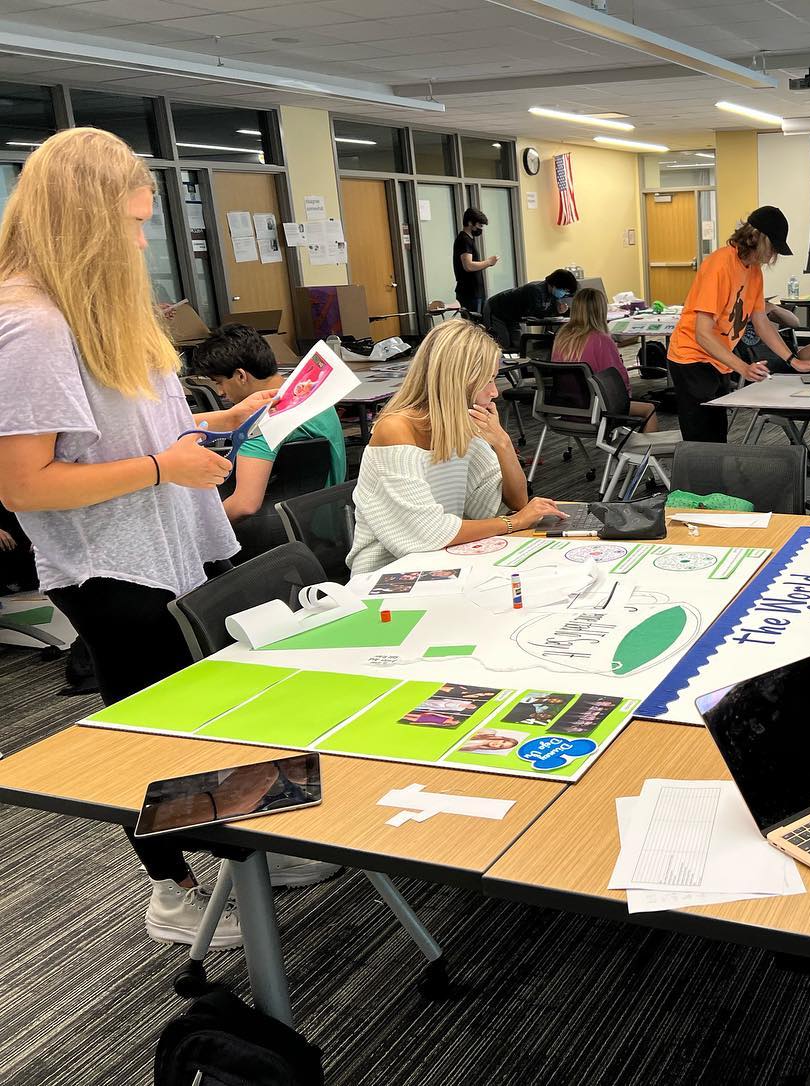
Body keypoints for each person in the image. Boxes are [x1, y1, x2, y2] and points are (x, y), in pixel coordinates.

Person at [0, 128, 337, 951]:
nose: (141, 239)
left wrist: (220, 423)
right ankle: (174, 889)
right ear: (85, 219)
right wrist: (162, 467)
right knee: (151, 733)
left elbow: (126, 430)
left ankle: (242, 849)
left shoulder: (92, 311)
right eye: (133, 222)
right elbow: (24, 484)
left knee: (211, 716)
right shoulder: (29, 325)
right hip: (111, 566)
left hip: (172, 545)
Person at [348, 318, 563, 575]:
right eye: (488, 380)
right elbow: (429, 534)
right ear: (459, 380)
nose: (495, 392)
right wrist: (513, 523)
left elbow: (514, 503)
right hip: (386, 574)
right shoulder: (395, 429)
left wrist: (502, 442)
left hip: (441, 562)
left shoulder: (460, 425)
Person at [667, 206, 810, 442]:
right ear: (756, 238)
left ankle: (714, 466)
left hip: (719, 358)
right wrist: (743, 367)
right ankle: (697, 467)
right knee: (701, 441)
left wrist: (793, 361)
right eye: (773, 248)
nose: (773, 256)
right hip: (692, 358)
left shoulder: (754, 271)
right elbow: (702, 334)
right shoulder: (720, 265)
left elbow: (761, 322)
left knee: (717, 436)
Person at [187, 324, 346, 552]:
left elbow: (245, 505)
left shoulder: (262, 424)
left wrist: (194, 534)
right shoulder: (310, 393)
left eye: (219, 382)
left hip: (275, 540)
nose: (220, 392)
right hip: (329, 525)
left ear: (241, 376)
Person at [552, 286, 658, 433]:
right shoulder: (601, 340)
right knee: (650, 409)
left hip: (566, 407)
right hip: (597, 408)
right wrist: (626, 397)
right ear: (601, 311)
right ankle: (646, 448)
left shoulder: (561, 337)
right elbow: (618, 379)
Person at [482, 269, 578, 352]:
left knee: (519, 345)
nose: (564, 293)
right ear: (555, 284)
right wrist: (557, 311)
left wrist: (560, 309)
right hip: (496, 310)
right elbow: (536, 313)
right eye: (564, 290)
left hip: (512, 317)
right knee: (500, 344)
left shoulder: (551, 294)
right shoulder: (535, 290)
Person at [738, 302, 810, 374]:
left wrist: (774, 308)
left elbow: (795, 323)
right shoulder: (734, 315)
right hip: (759, 364)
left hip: (785, 358)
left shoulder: (757, 309)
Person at [453, 207, 499, 315]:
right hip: (469, 292)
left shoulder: (469, 239)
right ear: (470, 223)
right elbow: (468, 266)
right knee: (473, 322)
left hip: (475, 292)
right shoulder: (464, 240)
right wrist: (489, 262)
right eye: (479, 225)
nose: (481, 228)